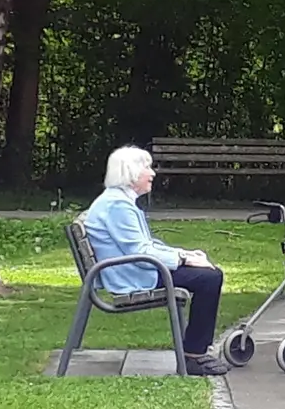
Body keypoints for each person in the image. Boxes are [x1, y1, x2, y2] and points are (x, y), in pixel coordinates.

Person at [82, 145, 231, 376]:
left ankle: (194, 352)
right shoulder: (117, 205)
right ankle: (194, 356)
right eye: (147, 168)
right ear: (130, 173)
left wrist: (187, 254)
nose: (153, 173)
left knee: (206, 274)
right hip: (133, 275)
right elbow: (141, 252)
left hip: (134, 269)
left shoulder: (118, 201)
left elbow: (145, 246)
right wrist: (183, 258)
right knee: (209, 278)